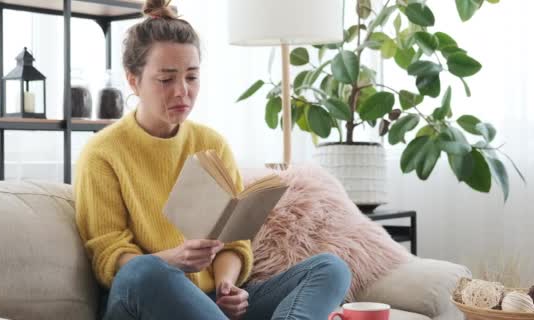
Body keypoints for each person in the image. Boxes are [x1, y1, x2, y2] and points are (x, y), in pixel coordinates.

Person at [74, 1, 352, 319]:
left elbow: (233, 240)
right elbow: (110, 258)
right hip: (144, 298)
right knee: (145, 270)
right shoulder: (102, 153)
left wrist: (226, 287)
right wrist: (174, 259)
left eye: (191, 77)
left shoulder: (211, 144)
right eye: (166, 80)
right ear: (133, 81)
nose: (182, 91)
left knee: (331, 267)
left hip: (209, 304)